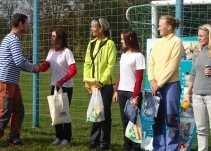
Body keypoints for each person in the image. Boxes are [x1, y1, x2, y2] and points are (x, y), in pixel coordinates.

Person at [0, 13, 39, 147]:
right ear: (21, 24)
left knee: (18, 110)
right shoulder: (13, 39)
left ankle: (14, 138)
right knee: (4, 112)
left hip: (12, 82)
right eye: (27, 23)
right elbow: (19, 61)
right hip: (6, 82)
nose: (28, 26)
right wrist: (34, 68)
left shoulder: (13, 39)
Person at [148, 15, 184, 151]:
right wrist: (152, 80)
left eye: (160, 25)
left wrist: (159, 83)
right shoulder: (158, 43)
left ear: (169, 27)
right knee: (157, 119)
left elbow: (172, 66)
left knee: (171, 119)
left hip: (170, 86)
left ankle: (172, 148)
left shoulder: (176, 42)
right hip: (155, 86)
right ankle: (159, 147)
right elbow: (151, 63)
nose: (158, 28)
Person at [83, 17, 117, 151]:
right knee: (94, 112)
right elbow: (86, 63)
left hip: (105, 85)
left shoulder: (110, 44)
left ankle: (104, 142)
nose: (91, 29)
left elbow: (110, 66)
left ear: (101, 28)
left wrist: (101, 82)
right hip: (91, 85)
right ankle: (94, 140)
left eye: (93, 27)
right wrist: (87, 81)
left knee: (104, 114)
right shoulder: (91, 44)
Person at [39, 29, 77, 146]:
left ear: (60, 38)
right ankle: (59, 137)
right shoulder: (51, 52)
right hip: (54, 86)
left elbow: (73, 70)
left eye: (53, 36)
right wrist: (35, 68)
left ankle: (67, 139)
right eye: (51, 36)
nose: (51, 38)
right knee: (55, 112)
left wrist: (62, 80)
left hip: (65, 86)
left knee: (64, 112)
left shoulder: (67, 52)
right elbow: (45, 66)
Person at [113, 29, 145, 151]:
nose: (121, 41)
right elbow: (121, 74)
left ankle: (136, 147)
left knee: (134, 122)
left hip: (133, 93)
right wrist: (116, 90)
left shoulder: (139, 56)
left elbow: (139, 78)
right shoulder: (124, 55)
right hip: (122, 92)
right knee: (125, 121)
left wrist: (136, 96)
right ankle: (127, 147)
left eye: (122, 38)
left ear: (129, 39)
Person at [184, 24, 211, 151]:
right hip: (197, 95)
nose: (199, 38)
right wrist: (188, 92)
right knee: (201, 128)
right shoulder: (197, 51)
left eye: (201, 36)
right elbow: (193, 72)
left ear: (209, 36)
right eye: (198, 35)